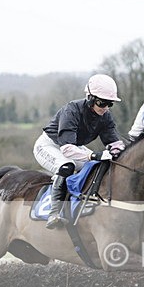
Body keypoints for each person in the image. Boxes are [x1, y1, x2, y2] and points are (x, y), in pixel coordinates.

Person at [33, 74, 126, 229]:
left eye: (110, 104)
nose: (105, 108)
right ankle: (54, 213)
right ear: (89, 98)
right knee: (66, 166)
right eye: (102, 103)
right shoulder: (71, 110)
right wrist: (93, 154)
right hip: (50, 145)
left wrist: (122, 153)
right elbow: (67, 148)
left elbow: (115, 143)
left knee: (97, 166)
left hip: (74, 146)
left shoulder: (105, 116)